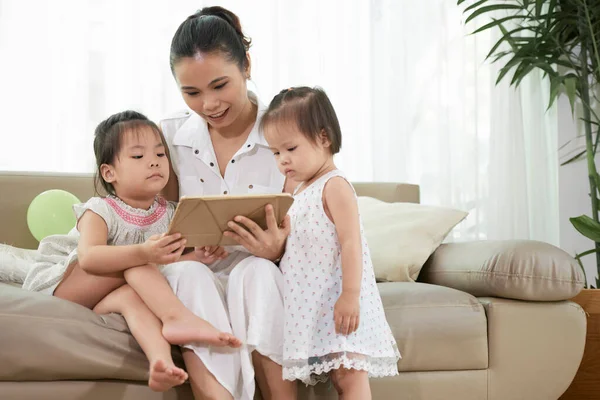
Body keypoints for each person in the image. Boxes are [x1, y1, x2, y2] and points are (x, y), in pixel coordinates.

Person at [22, 110, 241, 392]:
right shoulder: (100, 210)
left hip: (110, 294)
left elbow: (168, 264)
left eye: (161, 155)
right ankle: (176, 317)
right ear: (109, 172)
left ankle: (161, 363)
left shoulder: (171, 213)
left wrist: (197, 256)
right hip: (66, 286)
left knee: (131, 296)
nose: (153, 162)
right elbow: (89, 258)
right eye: (138, 157)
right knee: (136, 262)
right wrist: (144, 253)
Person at [160, 6, 297, 400]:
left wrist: (277, 251)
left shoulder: (285, 131)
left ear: (246, 66)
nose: (208, 104)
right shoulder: (168, 136)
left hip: (261, 276)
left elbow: (313, 225)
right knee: (190, 275)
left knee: (255, 271)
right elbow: (152, 220)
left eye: (220, 85)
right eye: (192, 93)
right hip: (192, 274)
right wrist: (182, 252)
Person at [261, 87, 401, 399]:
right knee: (338, 377)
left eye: (291, 149)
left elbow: (351, 243)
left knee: (349, 375)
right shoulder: (299, 192)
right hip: (315, 304)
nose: (283, 160)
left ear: (324, 138)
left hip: (339, 301)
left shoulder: (334, 186)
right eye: (275, 153)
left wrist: (350, 296)